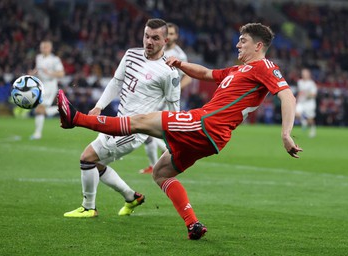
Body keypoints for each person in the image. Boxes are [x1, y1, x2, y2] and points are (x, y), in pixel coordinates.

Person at [57, 23, 302, 240]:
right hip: (212, 138)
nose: (238, 44)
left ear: (258, 45)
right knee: (161, 174)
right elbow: (206, 74)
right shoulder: (238, 71)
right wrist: (181, 63)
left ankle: (75, 118)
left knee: (140, 121)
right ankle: (193, 224)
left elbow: (287, 95)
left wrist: (285, 133)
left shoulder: (266, 67)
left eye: (243, 41)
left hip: (205, 124)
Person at [62, 18, 181, 218]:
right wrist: (99, 106)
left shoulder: (169, 72)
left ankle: (89, 207)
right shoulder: (131, 54)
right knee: (96, 164)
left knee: (87, 158)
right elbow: (116, 82)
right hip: (116, 122)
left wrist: (174, 141)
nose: (149, 41)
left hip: (134, 131)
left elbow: (173, 110)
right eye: (146, 36)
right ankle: (131, 197)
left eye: (155, 38)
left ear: (165, 40)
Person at [140, 22, 192, 174]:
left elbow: (188, 77)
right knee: (149, 129)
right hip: (153, 95)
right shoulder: (157, 49)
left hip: (166, 98)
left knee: (152, 128)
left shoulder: (179, 55)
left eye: (171, 33)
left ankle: (177, 152)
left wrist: (175, 89)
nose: (169, 36)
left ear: (175, 36)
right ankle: (156, 163)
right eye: (166, 33)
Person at [29, 40, 65, 140]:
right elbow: (37, 69)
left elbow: (61, 74)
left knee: (39, 109)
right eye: (42, 47)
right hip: (41, 85)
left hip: (50, 86)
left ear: (50, 48)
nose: (44, 49)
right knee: (39, 110)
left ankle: (37, 134)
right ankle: (59, 109)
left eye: (46, 47)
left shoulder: (55, 60)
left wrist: (49, 73)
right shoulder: (39, 57)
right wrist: (32, 73)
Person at [295, 68, 317, 137]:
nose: (304, 75)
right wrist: (296, 99)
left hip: (309, 103)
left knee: (310, 119)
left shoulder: (311, 83)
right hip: (301, 102)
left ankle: (312, 129)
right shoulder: (300, 82)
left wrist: (307, 95)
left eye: (305, 73)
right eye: (303, 73)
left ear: (308, 74)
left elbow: (314, 94)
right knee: (296, 113)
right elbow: (299, 92)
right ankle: (304, 121)